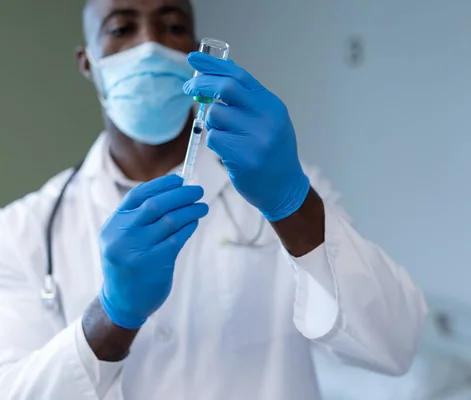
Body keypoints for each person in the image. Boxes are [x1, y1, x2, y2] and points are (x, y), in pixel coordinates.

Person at [0, 0, 427, 398]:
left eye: (173, 26)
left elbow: (395, 345)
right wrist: (111, 317)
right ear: (87, 62)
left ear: (194, 50)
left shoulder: (284, 191)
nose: (149, 45)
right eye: (121, 28)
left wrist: (293, 206)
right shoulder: (23, 231)